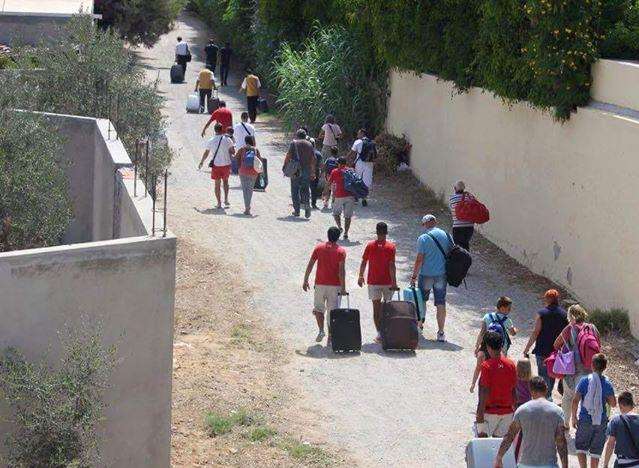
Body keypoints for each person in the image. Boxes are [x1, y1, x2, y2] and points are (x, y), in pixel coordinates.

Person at [494, 376, 568, 468]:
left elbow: (509, 436)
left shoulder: (522, 410)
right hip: (549, 464)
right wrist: (565, 465)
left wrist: (499, 457)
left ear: (531, 391)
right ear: (546, 390)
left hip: (525, 464)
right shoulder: (557, 411)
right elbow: (561, 441)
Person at [554, 304, 601, 430]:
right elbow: (598, 347)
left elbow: (556, 344)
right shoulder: (592, 328)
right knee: (588, 399)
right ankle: (588, 426)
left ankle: (565, 423)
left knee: (568, 397)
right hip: (592, 370)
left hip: (573, 371)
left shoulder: (569, 329)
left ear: (570, 316)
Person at [410, 214, 453, 341]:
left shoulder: (423, 238)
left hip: (426, 274)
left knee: (422, 300)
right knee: (440, 303)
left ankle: (419, 326)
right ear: (435, 222)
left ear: (425, 224)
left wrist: (414, 276)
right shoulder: (446, 235)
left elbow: (419, 259)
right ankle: (441, 333)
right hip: (441, 275)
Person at [572, 353, 617, 468]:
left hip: (585, 420)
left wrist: (574, 417)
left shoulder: (584, 381)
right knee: (595, 452)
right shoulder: (607, 384)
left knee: (581, 447)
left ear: (592, 365)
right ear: (605, 368)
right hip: (600, 421)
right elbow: (613, 403)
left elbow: (575, 400)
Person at [303, 227, 346, 343]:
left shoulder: (319, 248)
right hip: (335, 285)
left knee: (318, 309)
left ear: (327, 235)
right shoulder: (341, 251)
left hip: (320, 284)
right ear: (338, 237)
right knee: (333, 312)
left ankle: (321, 330)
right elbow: (341, 271)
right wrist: (343, 288)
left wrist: (306, 279)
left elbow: (310, 264)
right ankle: (331, 336)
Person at [523, 289, 568, 400]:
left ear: (548, 299)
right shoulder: (564, 315)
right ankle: (548, 396)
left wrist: (527, 348)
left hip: (542, 350)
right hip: (556, 351)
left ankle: (545, 398)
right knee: (552, 375)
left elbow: (536, 332)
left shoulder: (541, 314)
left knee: (543, 375)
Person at [358, 222, 397, 343]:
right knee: (387, 308)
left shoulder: (370, 246)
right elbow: (392, 266)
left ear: (376, 232)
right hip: (387, 282)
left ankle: (379, 333)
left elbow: (364, 261)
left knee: (376, 308)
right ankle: (387, 331)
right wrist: (394, 282)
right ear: (386, 232)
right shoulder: (391, 247)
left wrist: (360, 276)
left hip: (373, 282)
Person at [476, 331, 517, 438]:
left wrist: (479, 416)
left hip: (489, 413)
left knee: (484, 448)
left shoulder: (486, 366)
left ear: (488, 346)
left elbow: (484, 391)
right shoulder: (511, 365)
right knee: (499, 449)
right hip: (507, 413)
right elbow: (514, 390)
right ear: (502, 345)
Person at [197, 122, 235, 208]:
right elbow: (233, 151)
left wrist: (202, 162)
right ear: (222, 130)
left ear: (214, 130)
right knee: (226, 182)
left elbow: (206, 153)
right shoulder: (228, 140)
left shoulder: (211, 141)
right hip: (226, 164)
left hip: (216, 165)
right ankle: (226, 199)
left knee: (217, 184)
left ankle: (219, 203)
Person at [282, 129, 316, 218]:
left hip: (295, 170)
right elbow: (313, 159)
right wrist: (312, 172)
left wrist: (285, 166)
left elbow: (288, 155)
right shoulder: (309, 144)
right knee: (305, 189)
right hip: (306, 170)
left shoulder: (294, 143)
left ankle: (297, 211)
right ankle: (307, 205)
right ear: (305, 136)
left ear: (297, 135)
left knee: (295, 190)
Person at [603, 392, 639, 468]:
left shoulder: (616, 421)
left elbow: (610, 443)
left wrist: (605, 464)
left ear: (621, 405)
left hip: (622, 463)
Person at [234, 135, 264, 215]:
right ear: (252, 141)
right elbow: (260, 161)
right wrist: (261, 172)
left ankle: (247, 207)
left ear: (245, 141)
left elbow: (236, 157)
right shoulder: (256, 150)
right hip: (253, 173)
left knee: (245, 190)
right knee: (250, 190)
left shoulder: (242, 149)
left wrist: (239, 166)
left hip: (243, 171)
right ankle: (248, 207)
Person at [348, 128, 376, 207]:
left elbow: (352, 153)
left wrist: (345, 159)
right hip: (370, 164)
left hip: (360, 163)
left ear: (362, 134)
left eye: (358, 133)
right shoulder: (372, 142)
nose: (357, 135)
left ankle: (356, 197)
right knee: (367, 181)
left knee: (357, 179)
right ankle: (364, 198)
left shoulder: (357, 142)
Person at [328, 157, 355, 240]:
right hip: (350, 196)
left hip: (339, 195)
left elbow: (329, 183)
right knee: (348, 216)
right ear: (345, 163)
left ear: (338, 163)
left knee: (336, 213)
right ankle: (346, 233)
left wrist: (327, 193)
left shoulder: (335, 171)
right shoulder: (351, 171)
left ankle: (339, 227)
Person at [449, 180, 475, 251]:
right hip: (469, 226)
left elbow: (452, 210)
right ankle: (467, 260)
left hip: (458, 226)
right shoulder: (470, 198)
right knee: (466, 244)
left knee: (458, 247)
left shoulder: (452, 198)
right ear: (464, 188)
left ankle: (461, 261)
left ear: (455, 188)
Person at [309, 138, 323, 209]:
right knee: (313, 188)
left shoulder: (305, 152)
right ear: (314, 144)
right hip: (315, 172)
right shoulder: (318, 153)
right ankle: (313, 203)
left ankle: (304, 201)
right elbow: (321, 165)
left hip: (306, 171)